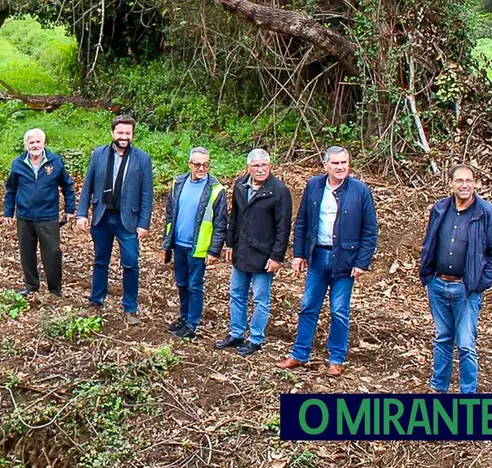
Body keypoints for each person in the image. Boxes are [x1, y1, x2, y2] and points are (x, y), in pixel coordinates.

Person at [276, 146, 378, 376]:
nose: (340, 167)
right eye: (335, 163)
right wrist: (299, 254)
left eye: (344, 162)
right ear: (326, 165)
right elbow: (302, 221)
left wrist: (362, 262)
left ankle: (336, 358)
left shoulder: (360, 190)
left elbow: (370, 230)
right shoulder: (314, 186)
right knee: (308, 306)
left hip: (345, 260)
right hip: (318, 256)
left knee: (339, 310)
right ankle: (299, 354)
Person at [419, 163, 492, 394]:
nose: (464, 185)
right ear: (451, 184)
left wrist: (479, 283)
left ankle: (468, 393)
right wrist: (428, 275)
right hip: (438, 285)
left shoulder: (486, 213)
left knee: (466, 344)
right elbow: (430, 242)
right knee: (442, 338)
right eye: (459, 180)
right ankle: (439, 388)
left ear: (475, 183)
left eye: (468, 180)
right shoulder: (440, 209)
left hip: (466, 290)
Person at [76, 115, 154, 325]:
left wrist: (144, 223)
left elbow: (147, 194)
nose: (124, 137)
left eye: (128, 133)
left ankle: (130, 308)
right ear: (112, 133)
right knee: (100, 261)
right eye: (120, 132)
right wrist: (82, 214)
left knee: (131, 263)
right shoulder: (98, 154)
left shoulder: (142, 159)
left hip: (128, 220)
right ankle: (96, 302)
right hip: (102, 217)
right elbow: (87, 186)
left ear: (132, 135)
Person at [217, 149, 292, 356]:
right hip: (241, 250)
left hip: (264, 254)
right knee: (237, 294)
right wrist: (230, 244)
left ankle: (255, 338)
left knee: (260, 298)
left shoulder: (279, 191)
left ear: (270, 166)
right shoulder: (241, 186)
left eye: (264, 165)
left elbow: (283, 228)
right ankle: (236, 333)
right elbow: (235, 217)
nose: (260, 169)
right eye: (256, 166)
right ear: (248, 168)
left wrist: (276, 256)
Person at [159, 147, 228, 340]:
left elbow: (221, 223)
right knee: (181, 283)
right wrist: (167, 242)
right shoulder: (178, 183)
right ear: (190, 164)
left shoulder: (216, 190)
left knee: (194, 285)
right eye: (197, 164)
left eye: (206, 164)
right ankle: (184, 316)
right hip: (179, 244)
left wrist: (214, 250)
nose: (202, 168)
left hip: (199, 247)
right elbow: (170, 215)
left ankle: (192, 323)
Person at [3, 128, 75, 297]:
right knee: (27, 253)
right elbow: (11, 189)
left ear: (44, 143)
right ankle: (31, 286)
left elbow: (67, 186)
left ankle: (55, 290)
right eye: (31, 142)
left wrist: (70, 209)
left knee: (53, 253)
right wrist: (8, 212)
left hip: (48, 216)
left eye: (38, 142)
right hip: (25, 217)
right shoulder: (18, 163)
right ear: (25, 145)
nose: (35, 145)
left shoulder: (55, 162)